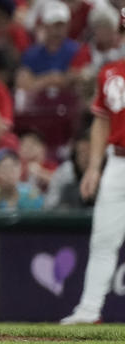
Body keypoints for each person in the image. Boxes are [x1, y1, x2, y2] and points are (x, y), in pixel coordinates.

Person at [61, 18, 125, 324]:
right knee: (103, 238)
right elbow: (101, 122)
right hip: (117, 160)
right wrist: (94, 168)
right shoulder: (110, 72)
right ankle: (88, 309)